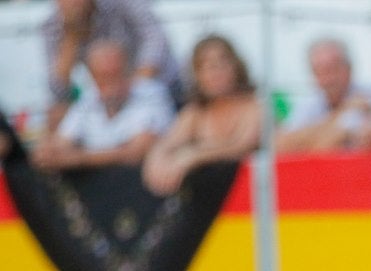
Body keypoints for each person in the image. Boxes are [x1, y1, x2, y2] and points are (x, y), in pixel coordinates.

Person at [141, 35, 260, 197]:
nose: (215, 72)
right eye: (206, 66)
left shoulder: (255, 106)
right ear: (197, 75)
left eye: (221, 63)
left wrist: (194, 156)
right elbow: (166, 144)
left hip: (248, 200)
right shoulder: (195, 112)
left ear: (236, 66)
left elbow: (243, 145)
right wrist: (156, 160)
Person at [31, 38, 172, 169]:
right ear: (92, 76)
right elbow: (62, 141)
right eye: (103, 77)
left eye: (115, 74)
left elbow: (139, 150)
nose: (111, 85)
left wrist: (79, 158)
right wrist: (48, 151)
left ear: (129, 72)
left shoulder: (150, 92)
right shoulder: (89, 97)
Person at [41, 0, 182, 130]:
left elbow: (156, 40)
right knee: (56, 116)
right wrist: (71, 37)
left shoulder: (122, 4)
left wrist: (132, 88)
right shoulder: (53, 26)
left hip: (156, 87)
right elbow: (58, 90)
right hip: (109, 101)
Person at [278, 38, 371, 154]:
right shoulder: (309, 104)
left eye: (332, 69)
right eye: (319, 71)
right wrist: (343, 113)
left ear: (348, 68)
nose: (328, 79)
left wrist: (314, 137)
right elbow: (283, 145)